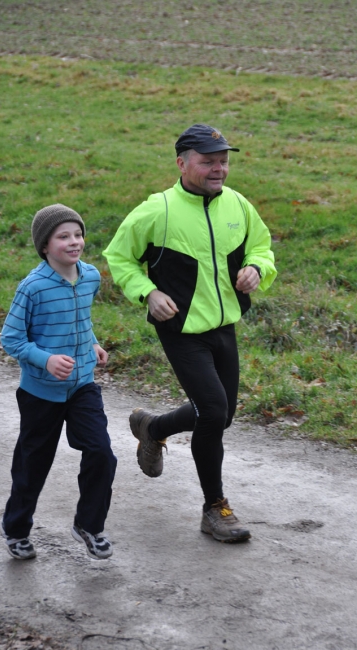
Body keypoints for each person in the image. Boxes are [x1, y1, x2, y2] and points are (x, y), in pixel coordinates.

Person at [103, 123, 276, 543]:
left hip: (224, 324)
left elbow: (262, 246)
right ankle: (215, 509)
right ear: (182, 164)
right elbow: (118, 257)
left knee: (221, 415)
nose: (218, 169)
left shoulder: (237, 204)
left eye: (223, 161)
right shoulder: (157, 210)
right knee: (213, 411)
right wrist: (147, 293)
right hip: (180, 327)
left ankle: (154, 428)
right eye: (208, 161)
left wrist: (257, 269)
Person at [0, 204, 117, 560]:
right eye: (63, 236)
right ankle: (17, 529)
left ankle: (89, 524)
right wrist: (46, 360)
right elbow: (11, 339)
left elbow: (79, 319)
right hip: (40, 393)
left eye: (78, 234)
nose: (74, 242)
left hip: (82, 384)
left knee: (102, 453)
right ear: (45, 245)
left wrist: (92, 342)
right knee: (33, 464)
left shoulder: (90, 276)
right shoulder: (32, 288)